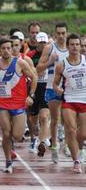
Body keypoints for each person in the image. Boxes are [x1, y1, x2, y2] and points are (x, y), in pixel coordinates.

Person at [0, 38, 37, 173]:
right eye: (3, 48)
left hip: (19, 104)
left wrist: (31, 95)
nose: (7, 51)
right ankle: (8, 161)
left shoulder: (20, 63)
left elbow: (34, 77)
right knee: (6, 133)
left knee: (18, 135)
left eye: (9, 48)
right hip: (2, 103)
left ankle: (13, 144)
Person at [53, 33, 86, 173]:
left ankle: (78, 147)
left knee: (83, 134)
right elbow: (55, 84)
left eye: (77, 44)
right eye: (72, 44)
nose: (75, 47)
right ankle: (76, 161)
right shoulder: (61, 65)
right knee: (71, 130)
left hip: (84, 99)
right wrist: (58, 89)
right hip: (69, 100)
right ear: (67, 46)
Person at [37, 22, 69, 163]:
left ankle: (67, 145)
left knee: (69, 120)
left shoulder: (72, 47)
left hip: (69, 89)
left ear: (67, 33)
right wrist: (50, 61)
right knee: (55, 120)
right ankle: (55, 146)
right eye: (58, 33)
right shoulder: (50, 48)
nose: (61, 36)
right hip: (51, 88)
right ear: (55, 34)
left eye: (63, 33)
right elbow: (38, 68)